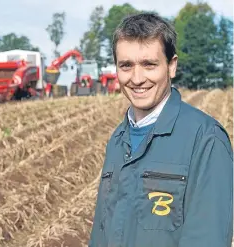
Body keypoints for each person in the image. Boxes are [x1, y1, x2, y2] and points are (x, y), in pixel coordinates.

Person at [88, 12, 233, 247]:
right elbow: (101, 232)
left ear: (171, 66)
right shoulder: (117, 140)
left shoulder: (206, 138)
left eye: (149, 64)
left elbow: (207, 239)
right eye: (126, 65)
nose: (136, 78)